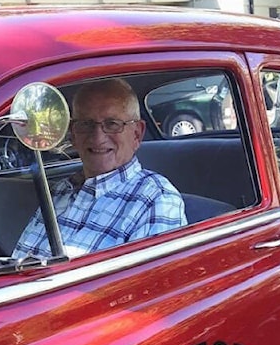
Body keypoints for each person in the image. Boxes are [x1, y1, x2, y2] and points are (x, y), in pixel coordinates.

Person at [13, 78, 187, 259]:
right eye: (86, 124)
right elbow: (21, 261)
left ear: (137, 134)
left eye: (112, 124)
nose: (97, 138)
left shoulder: (157, 199)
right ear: (73, 134)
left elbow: (150, 282)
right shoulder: (59, 191)